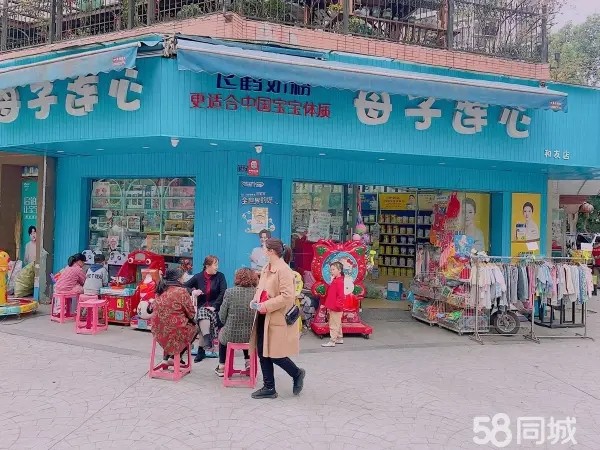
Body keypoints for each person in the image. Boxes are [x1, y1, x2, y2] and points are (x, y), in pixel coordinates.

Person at [249, 238, 305, 399]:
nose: (262, 249)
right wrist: (255, 300)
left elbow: (287, 296)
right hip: (262, 314)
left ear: (271, 251)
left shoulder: (284, 270)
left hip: (275, 317)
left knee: (276, 354)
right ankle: (269, 387)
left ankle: (297, 373)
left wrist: (266, 305)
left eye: (264, 247)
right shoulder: (267, 267)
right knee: (262, 352)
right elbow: (261, 288)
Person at [214, 268, 258, 377]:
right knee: (246, 335)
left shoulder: (230, 292)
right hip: (252, 336)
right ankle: (248, 362)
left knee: (222, 336)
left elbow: (222, 317)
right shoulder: (257, 293)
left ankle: (222, 366)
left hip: (231, 335)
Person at [151, 268, 198, 367]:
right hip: (174, 331)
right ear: (179, 279)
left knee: (170, 327)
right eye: (183, 277)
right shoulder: (182, 291)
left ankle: (165, 359)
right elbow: (191, 313)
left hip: (157, 330)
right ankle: (175, 357)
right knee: (195, 328)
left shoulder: (160, 289)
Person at [185, 255, 227, 362]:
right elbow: (184, 286)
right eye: (215, 265)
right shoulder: (198, 277)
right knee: (203, 314)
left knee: (201, 318)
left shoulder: (220, 276)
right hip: (202, 310)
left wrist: (214, 306)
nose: (217, 267)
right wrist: (192, 291)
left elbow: (223, 292)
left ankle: (201, 349)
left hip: (216, 311)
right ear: (207, 266)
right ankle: (205, 344)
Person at [321, 261, 345, 348]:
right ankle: (339, 338)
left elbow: (340, 295)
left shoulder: (338, 281)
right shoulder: (337, 280)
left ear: (339, 270)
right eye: (331, 270)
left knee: (333, 324)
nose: (331, 271)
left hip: (335, 306)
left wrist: (338, 305)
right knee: (337, 322)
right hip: (335, 305)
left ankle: (332, 341)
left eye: (333, 269)